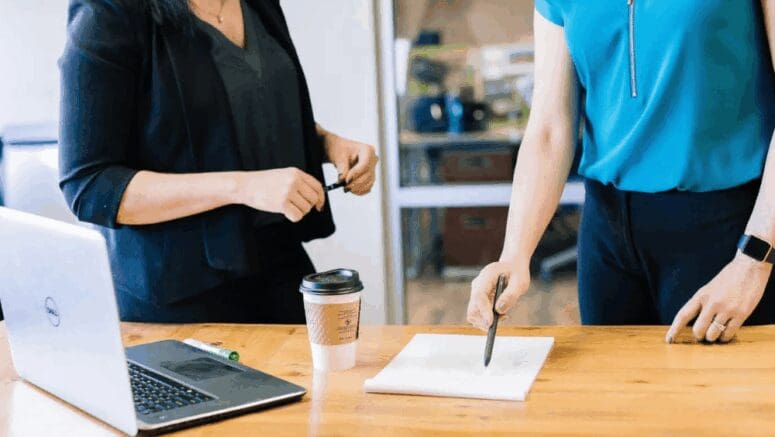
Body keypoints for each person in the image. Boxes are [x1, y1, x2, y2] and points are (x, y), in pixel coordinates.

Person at [467, 1, 775, 343]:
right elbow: (550, 128)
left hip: (728, 230)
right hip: (608, 236)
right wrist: (514, 253)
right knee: (613, 392)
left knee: (719, 394)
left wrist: (755, 259)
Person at [58, 0, 378, 323]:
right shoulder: (108, 13)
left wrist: (328, 145)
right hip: (181, 293)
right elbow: (90, 184)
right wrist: (242, 186)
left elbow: (237, 114)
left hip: (279, 265)